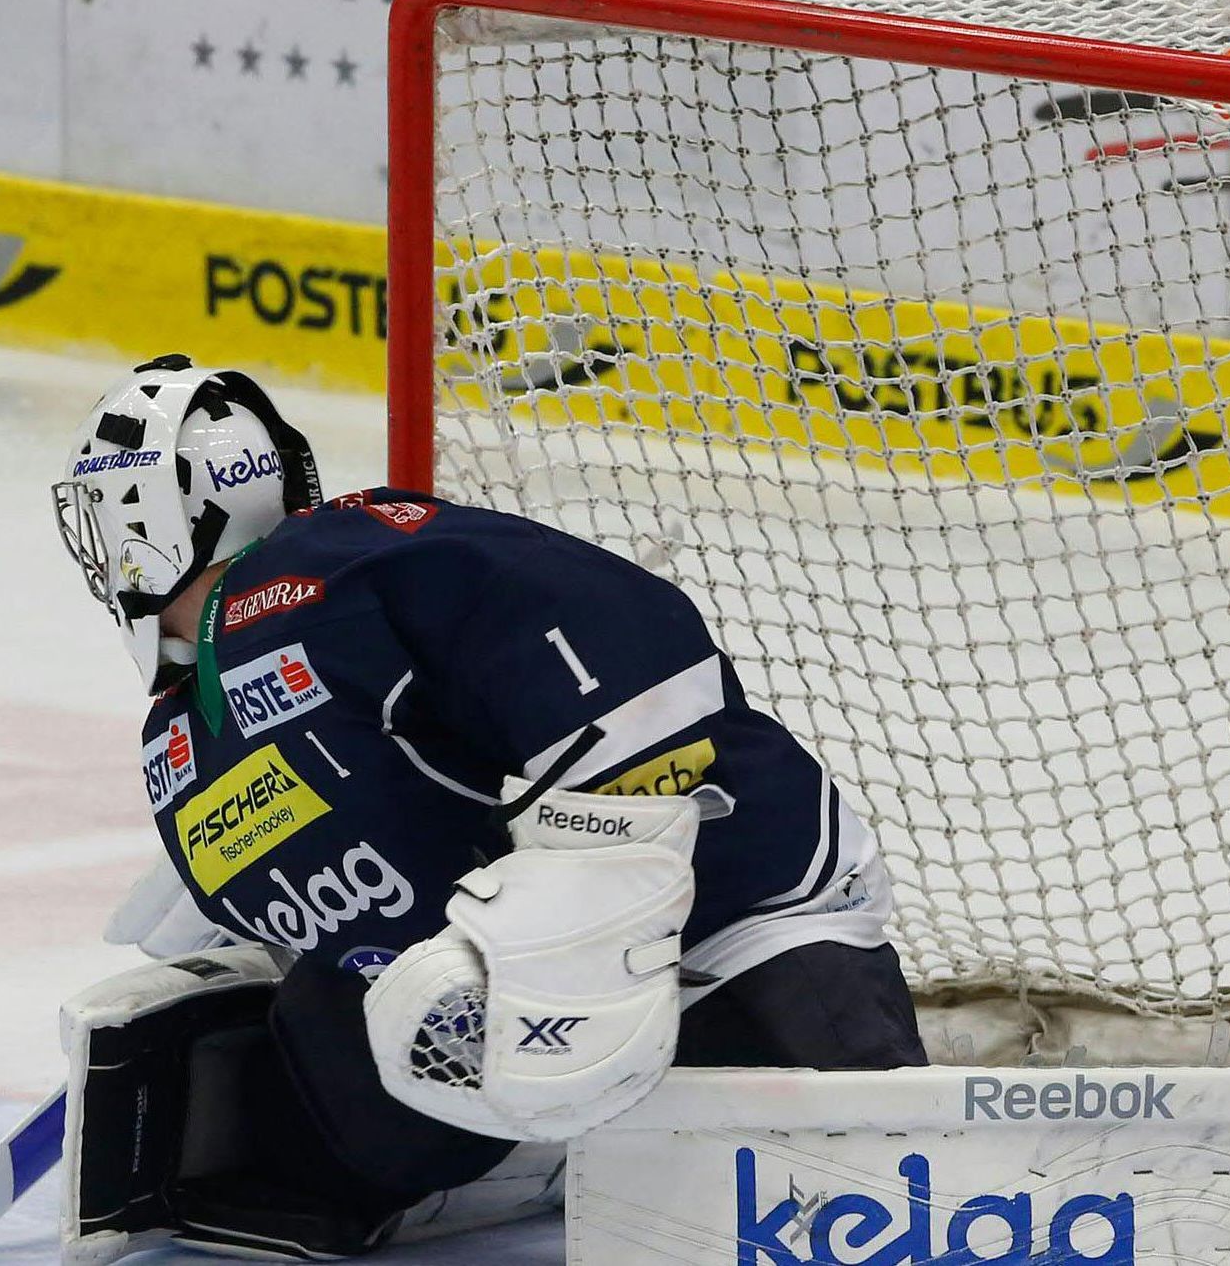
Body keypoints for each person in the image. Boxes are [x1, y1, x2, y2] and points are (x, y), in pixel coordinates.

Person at [52, 354, 925, 1257]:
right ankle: (537, 1131)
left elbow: (621, 645)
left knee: (867, 1188)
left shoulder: (330, 568)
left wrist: (582, 901)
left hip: (727, 922)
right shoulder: (184, 726)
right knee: (350, 1082)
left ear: (148, 518)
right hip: (495, 1031)